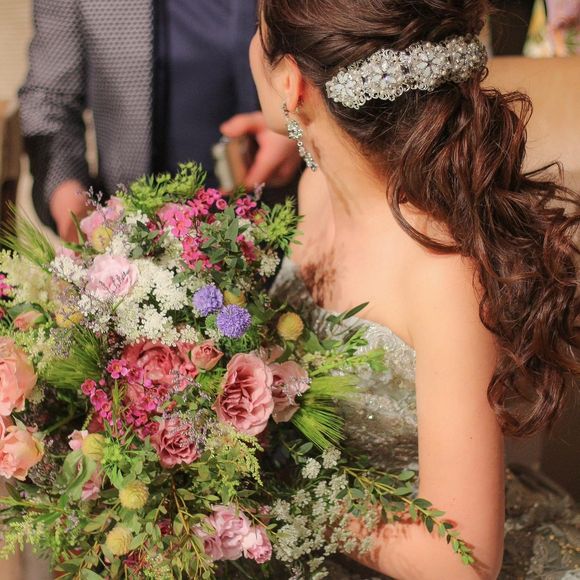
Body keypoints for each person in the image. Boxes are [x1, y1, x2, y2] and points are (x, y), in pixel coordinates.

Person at [255, 0, 580, 578]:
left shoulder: (441, 271)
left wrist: (281, 503)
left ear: (290, 83)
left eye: (255, 32)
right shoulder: (313, 192)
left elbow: (463, 562)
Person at [18, 0, 299, 242]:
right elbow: (49, 99)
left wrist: (297, 131)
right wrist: (68, 198)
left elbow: (321, 52)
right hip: (133, 234)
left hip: (286, 217)